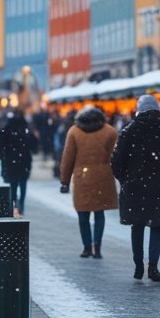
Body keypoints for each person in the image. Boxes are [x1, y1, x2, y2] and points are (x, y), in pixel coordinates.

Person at [112, 95, 160, 282]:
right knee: (156, 226)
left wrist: (125, 179)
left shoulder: (129, 132)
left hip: (135, 186)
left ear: (139, 110)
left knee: (137, 226)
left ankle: (138, 265)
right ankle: (153, 266)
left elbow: (117, 162)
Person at [60, 105, 118, 259]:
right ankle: (97, 246)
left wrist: (64, 180)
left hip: (82, 177)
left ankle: (86, 247)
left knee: (83, 214)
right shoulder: (110, 132)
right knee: (99, 213)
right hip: (103, 176)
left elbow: (68, 158)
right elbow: (117, 157)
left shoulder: (74, 132)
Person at [0, 111, 37, 216]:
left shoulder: (5, 131)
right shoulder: (26, 132)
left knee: (12, 185)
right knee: (22, 184)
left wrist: (2, 155)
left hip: (9, 164)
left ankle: (13, 205)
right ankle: (20, 205)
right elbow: (35, 147)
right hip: (23, 163)